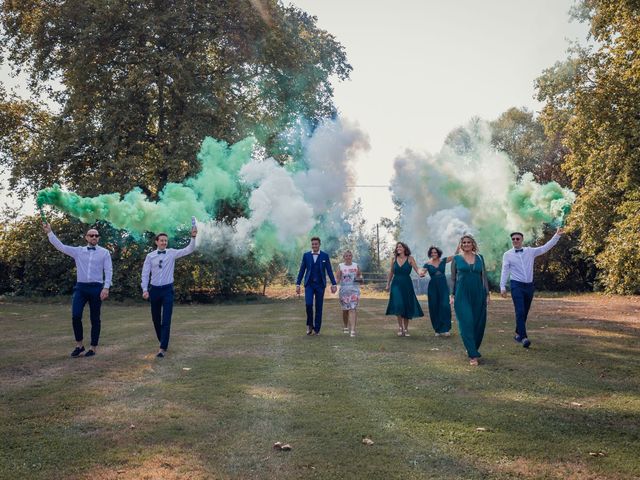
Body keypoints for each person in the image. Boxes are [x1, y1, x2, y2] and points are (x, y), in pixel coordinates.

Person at [43, 223, 112, 357]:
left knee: (95, 318)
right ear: (86, 237)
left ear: (98, 238)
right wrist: (49, 232)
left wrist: (106, 288)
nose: (94, 237)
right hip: (80, 287)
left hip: (97, 288)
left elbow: (108, 271)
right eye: (91, 235)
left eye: (96, 235)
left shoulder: (104, 252)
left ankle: (93, 348)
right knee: (75, 315)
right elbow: (61, 246)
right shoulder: (78, 251)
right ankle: (79, 346)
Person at [499, 227, 564, 348]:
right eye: (513, 239)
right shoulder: (507, 255)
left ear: (522, 240)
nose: (515, 240)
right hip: (516, 285)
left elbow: (545, 247)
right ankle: (524, 338)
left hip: (529, 286)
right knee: (520, 310)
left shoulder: (530, 251)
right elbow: (505, 270)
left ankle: (518, 333)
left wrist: (557, 235)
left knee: (525, 311)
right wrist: (502, 286)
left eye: (517, 238)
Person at [141, 226, 197, 358]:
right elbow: (145, 274)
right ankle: (163, 340)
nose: (164, 243)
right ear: (156, 242)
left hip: (167, 290)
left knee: (166, 319)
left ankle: (162, 348)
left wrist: (193, 237)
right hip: (154, 290)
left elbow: (189, 249)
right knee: (156, 319)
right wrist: (144, 289)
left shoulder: (171, 253)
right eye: (162, 240)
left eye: (166, 241)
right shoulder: (150, 256)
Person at [450, 235, 489, 366]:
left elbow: (484, 277)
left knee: (478, 323)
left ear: (473, 244)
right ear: (461, 245)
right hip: (462, 295)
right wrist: (452, 294)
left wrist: (487, 294)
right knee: (466, 322)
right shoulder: (456, 258)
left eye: (469, 242)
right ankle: (473, 355)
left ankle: (472, 347)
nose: (466, 244)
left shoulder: (480, 258)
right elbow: (453, 278)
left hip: (478, 293)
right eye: (464, 242)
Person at [296, 237, 337, 336]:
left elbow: (329, 270)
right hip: (309, 284)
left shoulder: (325, 256)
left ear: (319, 244)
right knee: (308, 304)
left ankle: (317, 329)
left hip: (320, 285)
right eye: (313, 244)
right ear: (311, 245)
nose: (314, 245)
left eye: (316, 244)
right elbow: (302, 270)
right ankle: (310, 325)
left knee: (319, 307)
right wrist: (298, 284)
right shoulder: (306, 256)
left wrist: (334, 283)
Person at [385, 242, 424, 337]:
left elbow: (417, 269)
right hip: (396, 284)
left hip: (407, 284)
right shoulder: (393, 259)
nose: (398, 248)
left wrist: (421, 273)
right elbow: (391, 272)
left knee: (406, 305)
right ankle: (400, 327)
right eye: (397, 247)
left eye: (400, 246)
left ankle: (406, 328)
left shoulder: (410, 259)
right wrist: (388, 284)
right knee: (398, 305)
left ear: (404, 248)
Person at [423, 245, 454, 337]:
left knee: (445, 306)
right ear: (430, 254)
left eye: (435, 252)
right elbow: (422, 271)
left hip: (443, 286)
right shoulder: (427, 264)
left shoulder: (443, 260)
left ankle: (446, 329)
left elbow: (455, 255)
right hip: (433, 287)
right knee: (434, 306)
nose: (433, 254)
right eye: (432, 252)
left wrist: (459, 246)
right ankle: (437, 329)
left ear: (438, 253)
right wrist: (421, 273)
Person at [336, 250, 363, 337]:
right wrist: (333, 285)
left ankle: (353, 330)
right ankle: (345, 326)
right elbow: (337, 279)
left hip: (354, 290)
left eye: (350, 255)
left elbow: (360, 277)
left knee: (353, 308)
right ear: (344, 257)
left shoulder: (356, 265)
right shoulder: (340, 266)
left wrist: (360, 279)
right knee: (345, 310)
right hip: (344, 290)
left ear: (352, 257)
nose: (348, 257)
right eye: (346, 256)